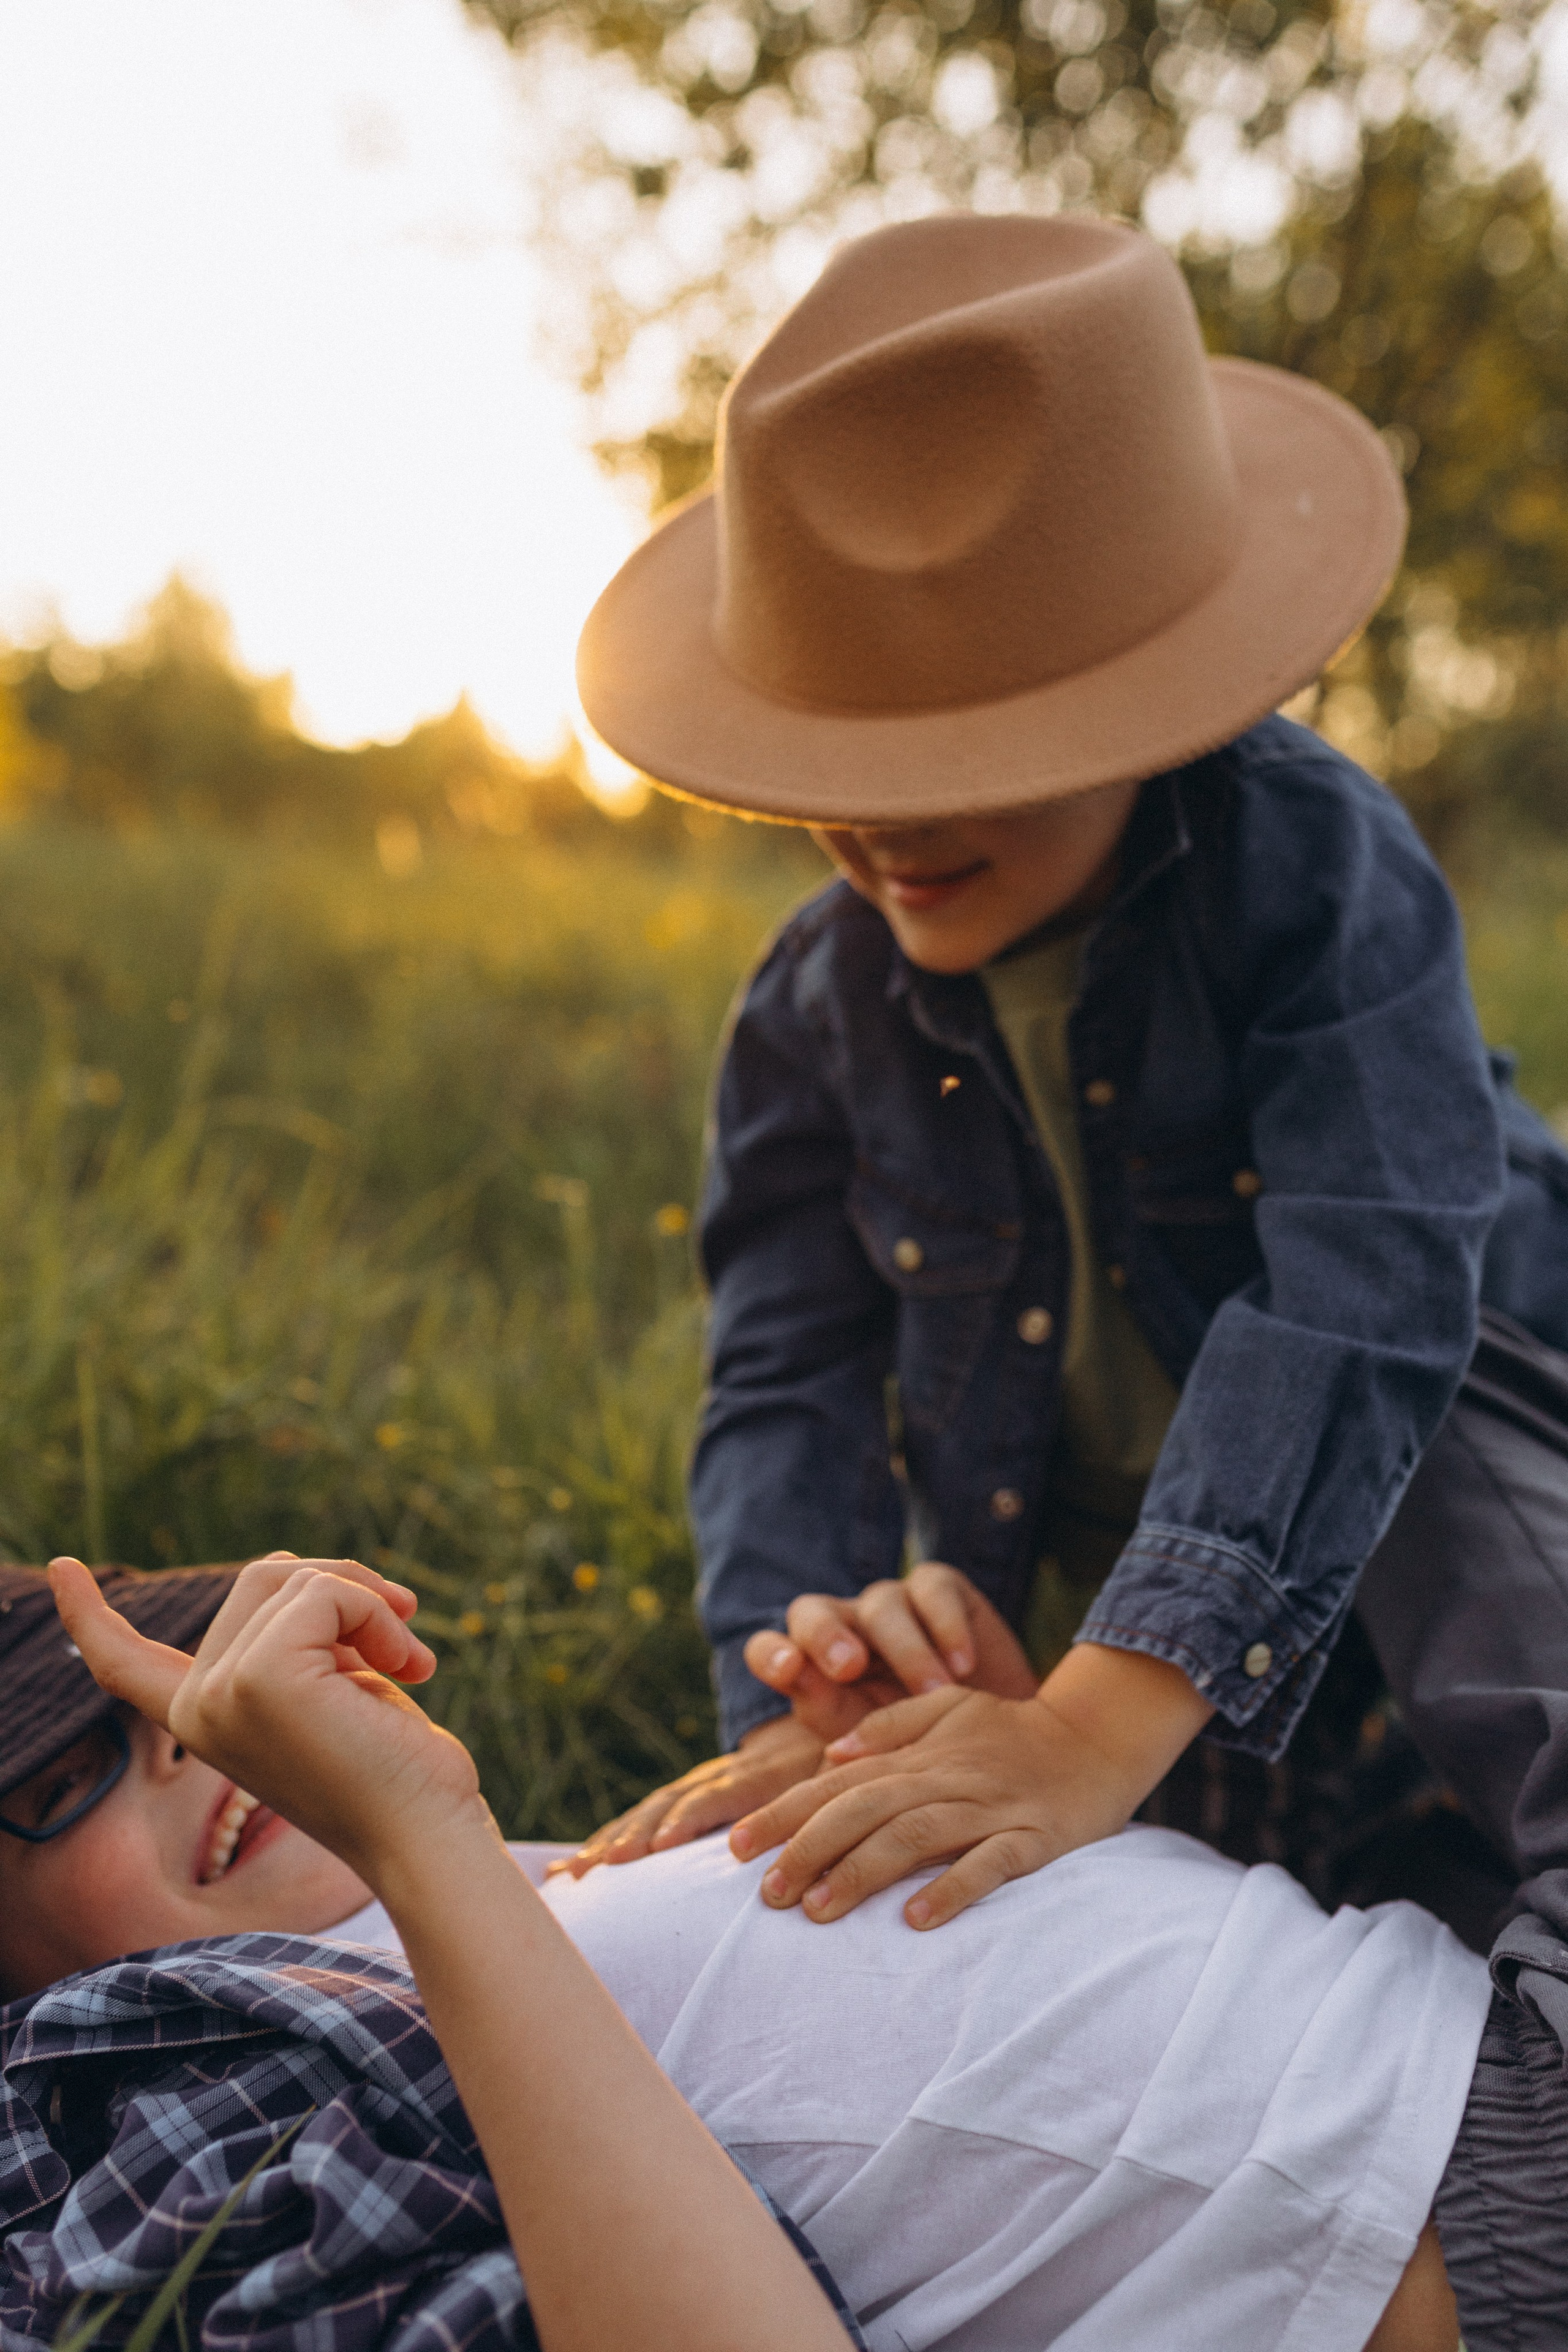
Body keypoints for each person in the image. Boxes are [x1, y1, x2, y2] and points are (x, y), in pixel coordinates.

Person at [562, 209, 1568, 1939]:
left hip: (1427, 1523)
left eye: (975, 750)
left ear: (1150, 703)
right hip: (1114, 1598)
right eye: (847, 754)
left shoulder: (1311, 870)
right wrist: (809, 1692)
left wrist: (1102, 1722)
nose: (887, 823)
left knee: (1463, 1469)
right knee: (1266, 1887)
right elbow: (785, 1384)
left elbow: (1368, 1298)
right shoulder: (815, 1007)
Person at [7, 1551, 1566, 2351]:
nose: (175, 1737)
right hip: (1461, 2186)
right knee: (1451, 1245)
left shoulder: (481, 1904)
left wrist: (982, 1772)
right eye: (56, 1770)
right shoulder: (152, 2072)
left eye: (175, 1669)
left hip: (1464, 2008)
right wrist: (421, 1838)